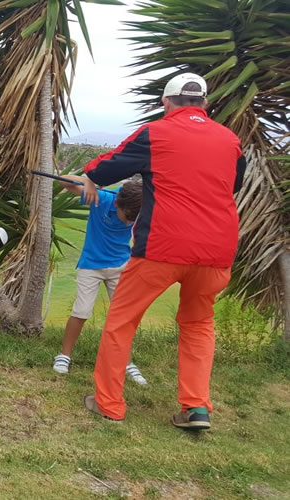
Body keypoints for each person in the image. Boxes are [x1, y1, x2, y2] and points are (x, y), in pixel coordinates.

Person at [80, 73, 245, 430]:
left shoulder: (155, 132)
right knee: (199, 324)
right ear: (204, 103)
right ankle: (196, 407)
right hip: (217, 250)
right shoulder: (231, 140)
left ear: (166, 103)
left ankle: (109, 403)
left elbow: (106, 168)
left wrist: (89, 175)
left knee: (122, 322)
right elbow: (234, 184)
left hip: (162, 247)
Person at [52, 175, 148, 386]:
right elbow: (63, 182)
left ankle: (126, 362)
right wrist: (89, 181)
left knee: (123, 317)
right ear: (118, 204)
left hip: (121, 265)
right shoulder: (102, 199)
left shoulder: (142, 207)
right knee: (82, 311)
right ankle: (64, 356)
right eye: (127, 216)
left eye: (134, 218)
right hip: (91, 265)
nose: (129, 221)